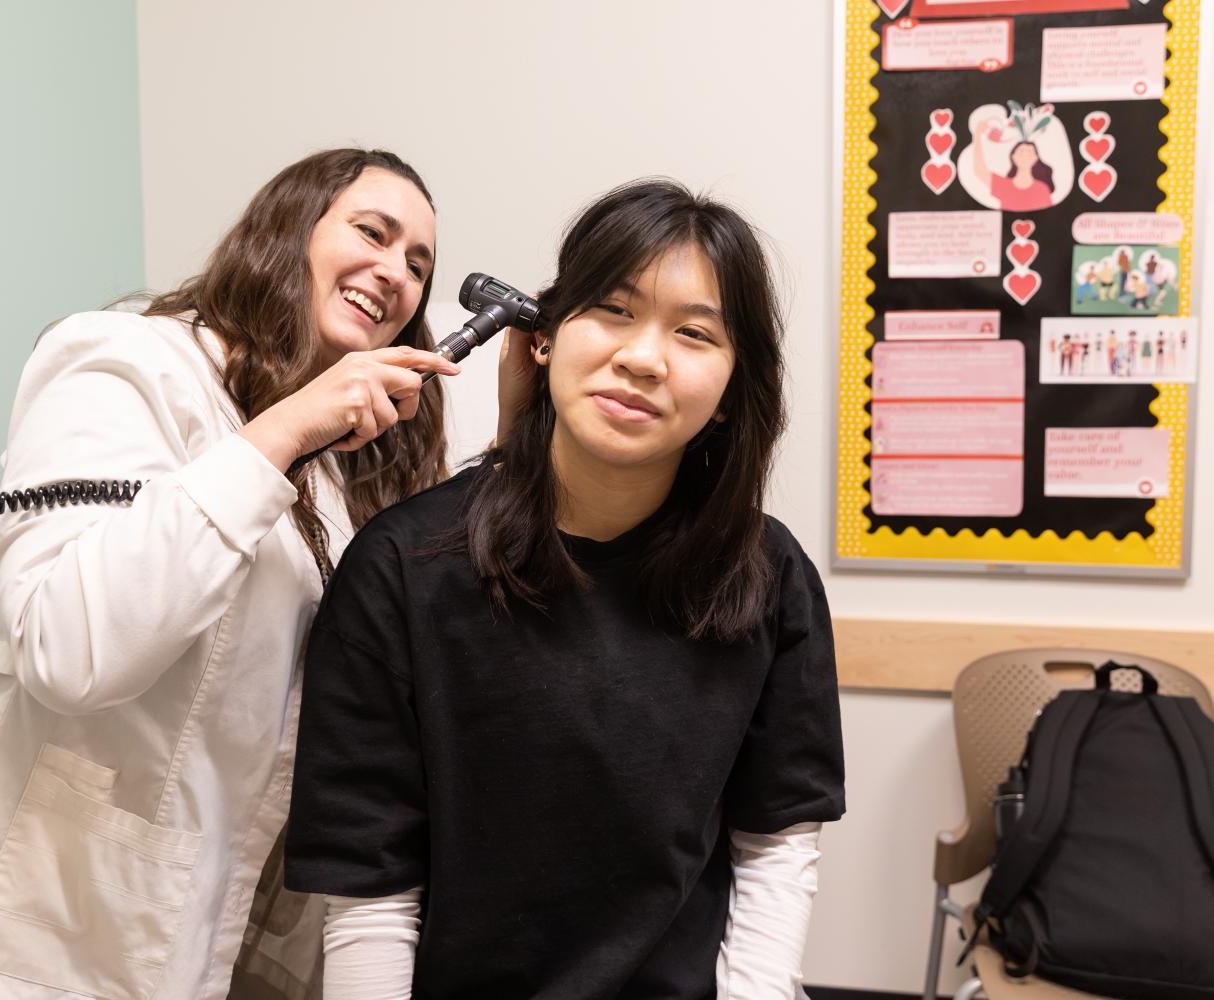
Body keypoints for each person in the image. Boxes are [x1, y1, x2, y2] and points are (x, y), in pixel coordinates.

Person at [0, 148, 464, 1000]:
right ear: (292, 229)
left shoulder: (340, 479)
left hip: (155, 951)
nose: (395, 273)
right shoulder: (127, 364)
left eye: (418, 264)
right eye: (372, 233)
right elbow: (72, 650)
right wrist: (279, 435)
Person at [284, 179, 846, 999]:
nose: (643, 357)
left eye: (693, 333)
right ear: (543, 339)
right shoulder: (403, 569)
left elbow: (776, 842)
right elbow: (370, 891)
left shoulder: (767, 575)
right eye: (614, 311)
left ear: (730, 394)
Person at [971, 122, 1055, 211]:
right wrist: (977, 134)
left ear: (1035, 158)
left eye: (1029, 153)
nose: (1024, 156)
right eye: (1021, 152)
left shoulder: (1042, 190)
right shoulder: (1003, 186)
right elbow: (980, 170)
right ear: (1013, 157)